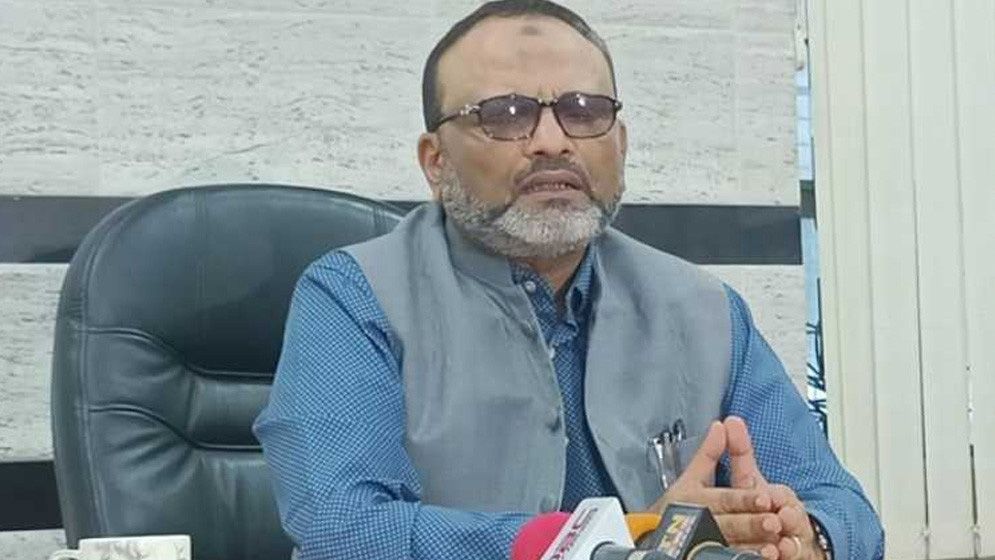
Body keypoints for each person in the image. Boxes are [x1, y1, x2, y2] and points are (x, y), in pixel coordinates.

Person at [253, 1, 885, 559]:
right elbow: (343, 529)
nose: (552, 142)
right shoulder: (354, 297)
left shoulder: (705, 310)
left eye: (585, 111)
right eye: (505, 114)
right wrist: (612, 541)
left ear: (621, 144)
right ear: (435, 162)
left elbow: (842, 507)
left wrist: (803, 539)